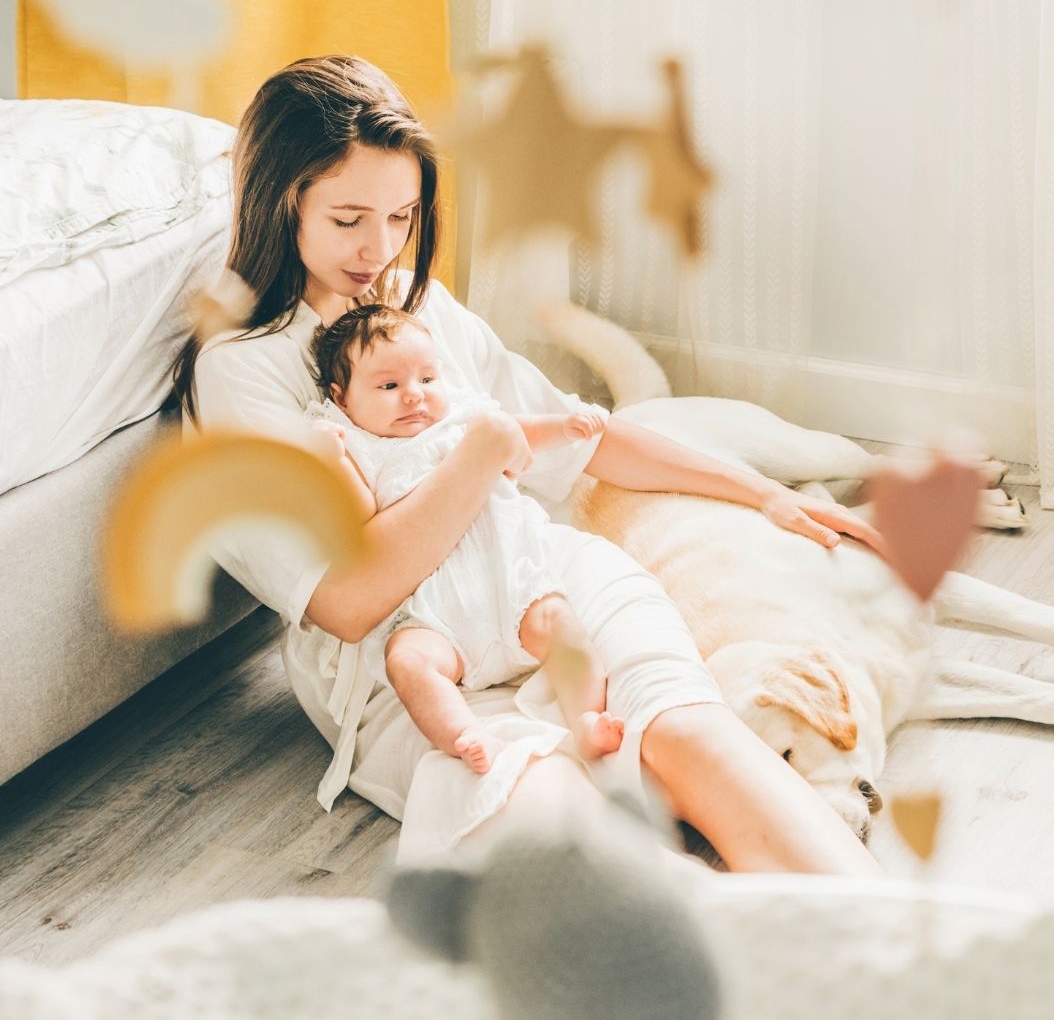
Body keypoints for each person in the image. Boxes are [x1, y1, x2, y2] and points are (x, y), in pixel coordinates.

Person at [173, 54, 885, 872]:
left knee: (693, 737)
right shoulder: (241, 370)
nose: (380, 249)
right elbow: (347, 600)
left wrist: (764, 494)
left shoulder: (418, 305)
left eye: (402, 217)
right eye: (348, 220)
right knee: (577, 849)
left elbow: (583, 435)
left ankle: (883, 968)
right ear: (279, 203)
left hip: (542, 582)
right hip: (413, 664)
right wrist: (475, 461)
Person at [306, 301, 623, 774]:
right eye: (389, 386)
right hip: (432, 613)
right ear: (343, 397)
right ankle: (466, 734)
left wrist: (563, 428)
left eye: (427, 380)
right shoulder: (356, 445)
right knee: (408, 662)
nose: (414, 396)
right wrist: (333, 465)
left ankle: (587, 720)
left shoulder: (462, 419)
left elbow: (516, 432)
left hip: (510, 587)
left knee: (562, 626)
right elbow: (362, 521)